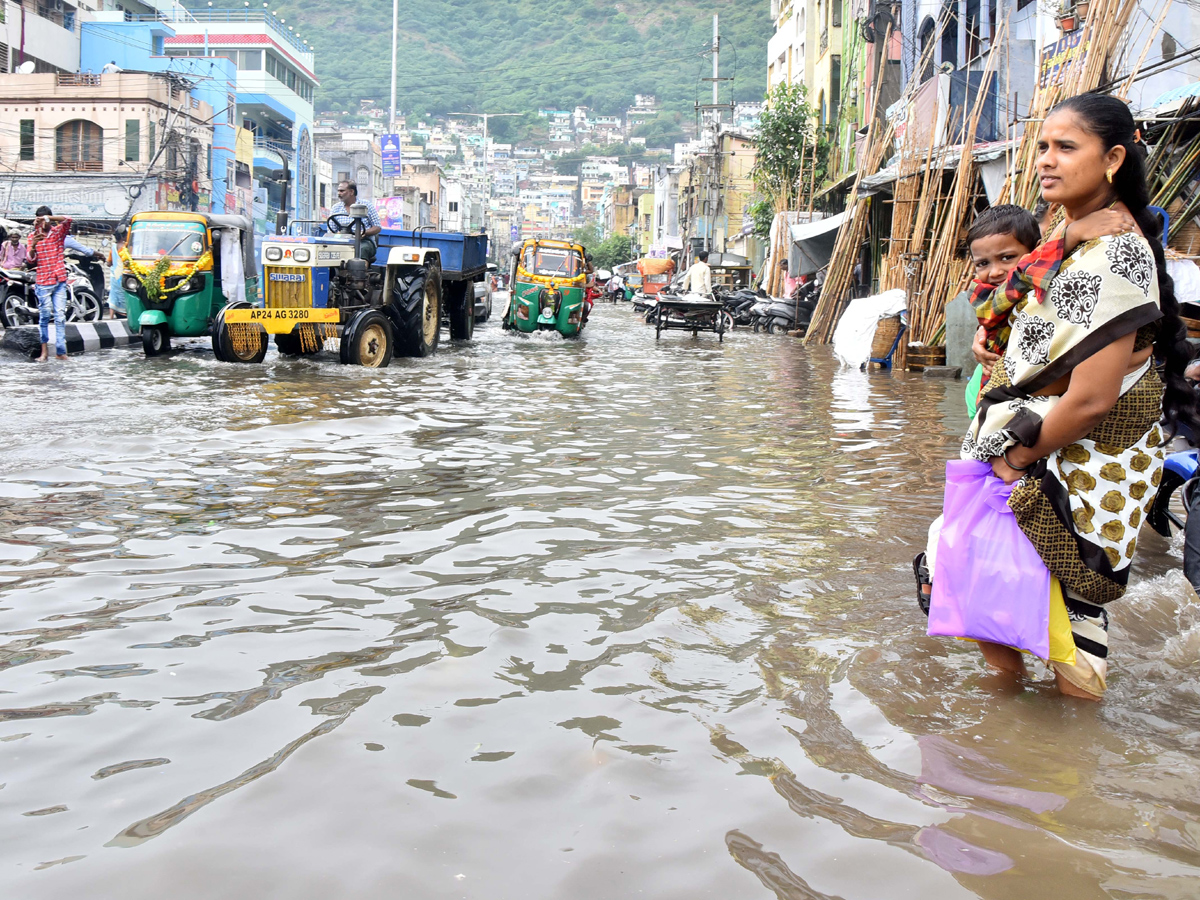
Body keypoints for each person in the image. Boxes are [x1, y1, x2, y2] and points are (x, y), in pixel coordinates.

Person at [928, 93, 1200, 700]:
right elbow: (1016, 309)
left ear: (1113, 158)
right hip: (1033, 449)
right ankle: (1022, 752)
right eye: (1044, 146)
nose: (1047, 160)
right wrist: (1073, 231)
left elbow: (1089, 399)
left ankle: (1068, 771)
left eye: (1066, 147)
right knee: (992, 602)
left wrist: (1015, 460)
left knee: (1070, 634)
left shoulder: (1119, 252)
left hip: (1064, 465)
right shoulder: (1073, 236)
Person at [28, 205, 73, 362]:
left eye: (45, 219)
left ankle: (61, 351)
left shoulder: (58, 232)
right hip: (43, 281)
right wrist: (33, 244)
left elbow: (68, 220)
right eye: (40, 220)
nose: (43, 224)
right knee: (45, 316)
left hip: (59, 279)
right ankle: (44, 352)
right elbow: (30, 259)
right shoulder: (32, 235)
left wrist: (49, 219)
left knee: (60, 316)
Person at [327, 180, 381, 262]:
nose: (339, 193)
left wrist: (363, 232)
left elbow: (377, 227)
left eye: (342, 191)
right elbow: (331, 231)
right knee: (326, 251)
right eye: (338, 191)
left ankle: (360, 271)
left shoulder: (366, 205)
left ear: (351, 192)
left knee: (361, 249)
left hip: (364, 241)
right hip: (342, 241)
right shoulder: (335, 208)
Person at [108, 225, 128, 318]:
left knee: (113, 294)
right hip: (124, 275)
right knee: (124, 293)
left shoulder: (113, 247)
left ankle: (111, 316)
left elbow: (109, 263)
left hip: (114, 275)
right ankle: (125, 312)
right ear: (124, 236)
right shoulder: (127, 247)